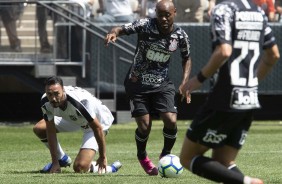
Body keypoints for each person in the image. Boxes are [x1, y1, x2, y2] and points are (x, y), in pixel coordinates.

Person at [179, 0, 280, 184]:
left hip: (225, 97)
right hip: (249, 98)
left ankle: (248, 183)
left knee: (186, 158)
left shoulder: (223, 9)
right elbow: (273, 54)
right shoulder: (258, 12)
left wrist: (198, 79)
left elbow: (224, 51)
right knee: (224, 161)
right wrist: (253, 81)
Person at [105, 0, 192, 176]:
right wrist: (113, 33)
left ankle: (165, 155)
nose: (164, 18)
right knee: (144, 127)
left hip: (162, 84)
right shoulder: (145, 25)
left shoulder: (180, 35)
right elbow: (120, 29)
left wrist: (185, 83)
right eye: (160, 15)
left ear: (174, 12)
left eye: (167, 14)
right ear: (155, 14)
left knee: (171, 120)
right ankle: (142, 156)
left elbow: (186, 58)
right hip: (137, 82)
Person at [33, 76, 122, 174]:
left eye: (56, 94)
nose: (53, 98)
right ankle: (62, 159)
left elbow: (98, 129)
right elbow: (50, 130)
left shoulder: (80, 103)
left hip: (95, 123)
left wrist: (103, 156)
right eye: (49, 94)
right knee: (39, 128)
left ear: (63, 90)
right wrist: (55, 162)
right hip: (73, 118)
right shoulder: (45, 101)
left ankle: (111, 168)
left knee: (80, 167)